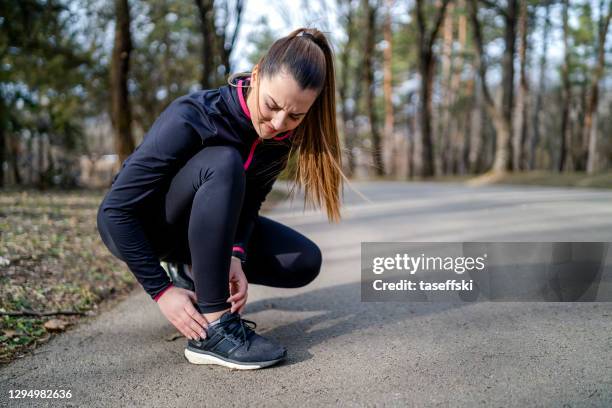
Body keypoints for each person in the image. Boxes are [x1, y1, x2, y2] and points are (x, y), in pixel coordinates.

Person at [96, 28, 345, 370]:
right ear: (256, 74)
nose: (277, 123)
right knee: (224, 162)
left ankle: (191, 269)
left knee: (303, 260)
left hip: (204, 230)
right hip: (146, 228)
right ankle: (214, 330)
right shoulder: (193, 116)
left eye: (295, 115)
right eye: (272, 105)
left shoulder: (281, 138)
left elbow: (251, 203)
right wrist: (162, 291)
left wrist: (235, 254)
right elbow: (114, 213)